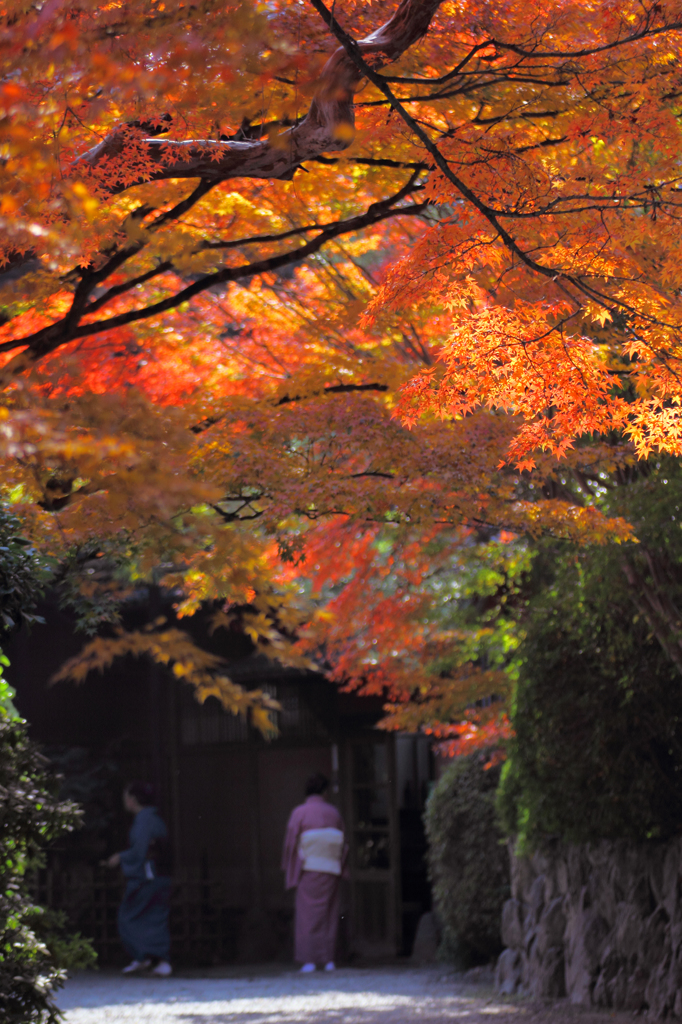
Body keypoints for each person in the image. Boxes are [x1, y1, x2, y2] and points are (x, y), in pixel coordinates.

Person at [102, 781, 173, 977]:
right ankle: (153, 959)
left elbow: (140, 852)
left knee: (129, 917)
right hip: (159, 875)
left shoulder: (144, 821)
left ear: (132, 800)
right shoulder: (153, 819)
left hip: (147, 876)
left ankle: (146, 957)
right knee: (155, 917)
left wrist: (120, 858)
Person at [282, 771, 346, 973]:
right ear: (325, 792)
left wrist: (292, 868)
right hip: (330, 869)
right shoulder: (334, 813)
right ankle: (328, 960)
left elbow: (291, 844)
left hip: (308, 869)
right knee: (329, 913)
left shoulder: (299, 813)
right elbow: (342, 844)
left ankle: (309, 960)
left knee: (307, 915)